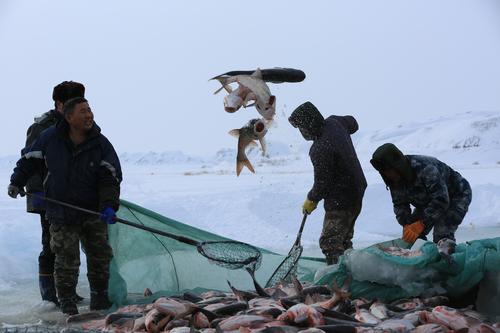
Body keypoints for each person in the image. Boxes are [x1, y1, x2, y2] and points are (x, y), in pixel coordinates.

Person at [8, 97, 122, 315]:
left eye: (90, 110)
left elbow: (111, 177)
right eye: (83, 111)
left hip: (92, 211)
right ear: (69, 117)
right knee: (66, 259)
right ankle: (67, 303)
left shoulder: (101, 143)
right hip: (61, 211)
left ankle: (100, 300)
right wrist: (16, 182)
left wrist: (108, 205)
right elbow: (28, 160)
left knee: (99, 256)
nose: (89, 115)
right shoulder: (50, 138)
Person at [23, 81, 85, 306]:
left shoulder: (80, 124)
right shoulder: (42, 128)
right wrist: (37, 193)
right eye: (74, 102)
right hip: (47, 197)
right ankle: (49, 295)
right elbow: (29, 162)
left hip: (74, 196)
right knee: (50, 244)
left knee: (70, 243)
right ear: (59, 104)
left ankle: (68, 290)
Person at [288, 101, 367, 265]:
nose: (302, 133)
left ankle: (337, 279)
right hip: (357, 188)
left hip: (341, 197)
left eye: (301, 128)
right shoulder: (335, 122)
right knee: (344, 238)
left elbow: (322, 183)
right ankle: (351, 271)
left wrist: (312, 199)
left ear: (309, 124)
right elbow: (353, 123)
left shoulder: (320, 148)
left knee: (330, 241)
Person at [370, 143, 472, 253]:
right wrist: (407, 225)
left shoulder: (426, 168)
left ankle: (449, 261)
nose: (388, 174)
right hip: (427, 201)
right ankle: (422, 258)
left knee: (441, 234)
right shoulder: (394, 180)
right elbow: (400, 204)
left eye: (389, 170)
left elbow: (441, 200)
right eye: (384, 172)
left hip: (457, 195)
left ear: (397, 165)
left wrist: (422, 223)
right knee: (412, 236)